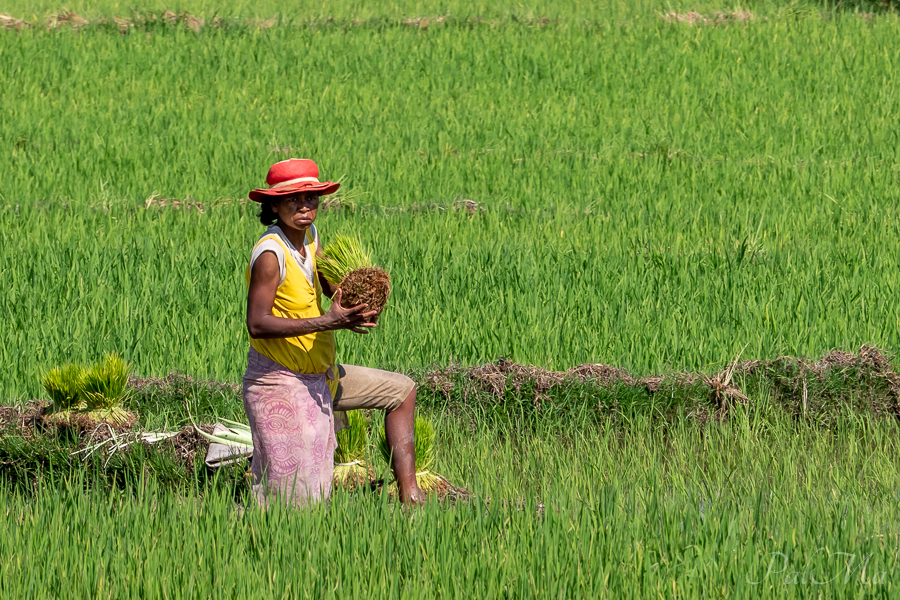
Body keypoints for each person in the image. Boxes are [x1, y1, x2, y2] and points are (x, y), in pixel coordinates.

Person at [242, 158, 422, 507]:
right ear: (274, 205)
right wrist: (328, 322)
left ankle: (411, 497)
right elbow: (257, 323)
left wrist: (359, 303)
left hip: (320, 373)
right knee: (296, 501)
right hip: (280, 381)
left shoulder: (309, 237)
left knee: (402, 391)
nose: (304, 206)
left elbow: (328, 288)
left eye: (311, 197)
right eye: (293, 199)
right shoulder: (270, 254)